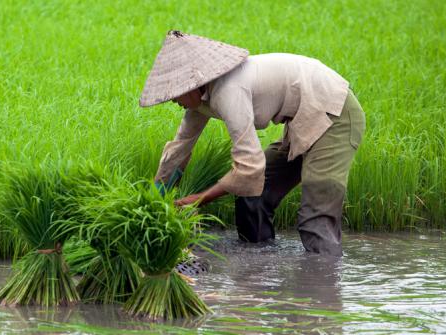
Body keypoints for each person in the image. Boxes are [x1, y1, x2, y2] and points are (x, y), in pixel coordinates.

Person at [140, 31, 366, 256]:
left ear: (192, 84)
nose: (172, 100)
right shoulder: (199, 100)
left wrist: (198, 199)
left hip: (334, 114)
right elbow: (181, 147)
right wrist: (156, 196)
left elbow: (249, 167)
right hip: (304, 119)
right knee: (254, 195)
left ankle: (324, 280)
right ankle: (259, 267)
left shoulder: (229, 91)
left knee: (315, 219)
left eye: (175, 93)